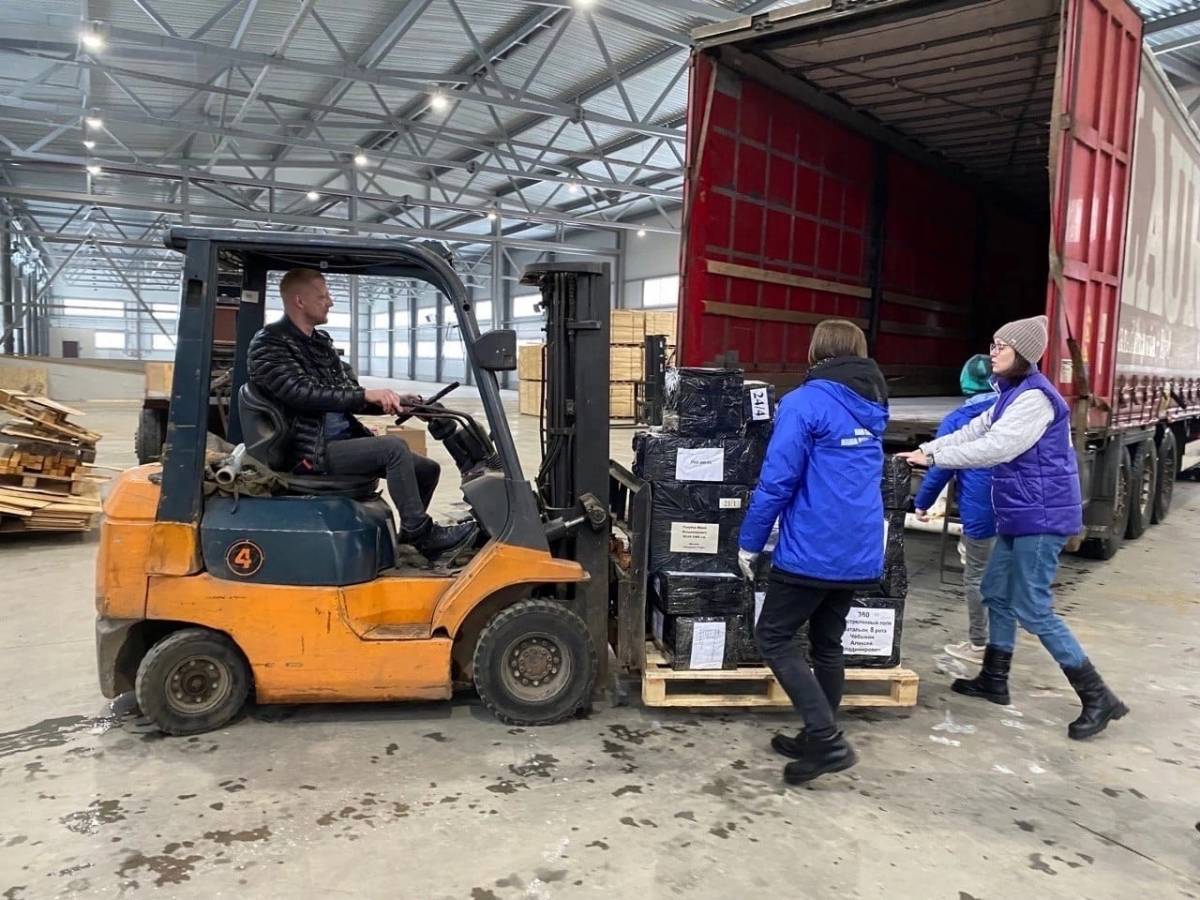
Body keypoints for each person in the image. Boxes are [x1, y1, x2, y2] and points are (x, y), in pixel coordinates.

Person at [899, 315, 1128, 740]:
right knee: (995, 592)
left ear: (1023, 353)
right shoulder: (1010, 394)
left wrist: (934, 459)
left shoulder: (1035, 399)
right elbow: (973, 431)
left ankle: (1098, 696)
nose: (993, 352)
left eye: (1001, 346)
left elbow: (997, 447)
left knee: (1032, 607)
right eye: (992, 344)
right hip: (1020, 513)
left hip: (1041, 517)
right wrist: (926, 449)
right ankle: (994, 677)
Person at [738, 319, 889, 784]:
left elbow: (777, 480)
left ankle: (826, 740)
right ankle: (816, 732)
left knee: (773, 636)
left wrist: (749, 542)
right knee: (827, 642)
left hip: (815, 546)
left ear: (816, 351)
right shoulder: (874, 403)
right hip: (860, 546)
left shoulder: (804, 402)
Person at [247, 267, 476, 558]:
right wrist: (365, 394)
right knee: (394, 448)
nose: (330, 302)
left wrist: (395, 402)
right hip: (308, 452)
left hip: (339, 442)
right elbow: (302, 394)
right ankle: (423, 534)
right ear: (299, 301)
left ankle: (410, 535)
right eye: (323, 296)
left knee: (427, 469)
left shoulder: (319, 343)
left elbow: (347, 395)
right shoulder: (269, 344)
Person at [912, 354, 998, 665]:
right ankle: (1002, 642)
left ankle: (980, 645)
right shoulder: (1014, 412)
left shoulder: (958, 420)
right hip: (1018, 511)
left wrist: (922, 503)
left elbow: (941, 467)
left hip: (982, 513)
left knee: (976, 576)